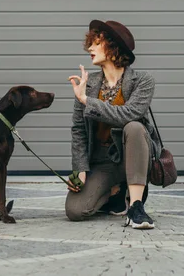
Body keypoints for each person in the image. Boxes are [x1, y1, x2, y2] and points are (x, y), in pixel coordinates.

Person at [65, 19, 161, 229]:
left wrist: (87, 102)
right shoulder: (87, 86)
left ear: (114, 47)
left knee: (134, 126)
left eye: (97, 42)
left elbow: (129, 114)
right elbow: (78, 130)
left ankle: (136, 206)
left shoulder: (143, 81)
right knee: (75, 211)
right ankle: (115, 193)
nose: (90, 47)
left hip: (132, 155)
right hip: (102, 162)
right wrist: (80, 169)